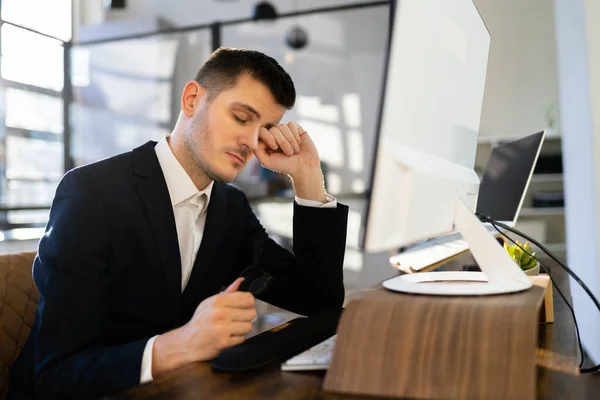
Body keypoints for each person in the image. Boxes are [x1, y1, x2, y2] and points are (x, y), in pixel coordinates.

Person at [8, 48, 348, 399]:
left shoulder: (229, 207)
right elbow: (53, 376)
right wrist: (179, 346)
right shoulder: (92, 194)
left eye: (265, 130)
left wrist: (308, 178)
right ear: (191, 100)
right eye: (241, 117)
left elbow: (319, 301)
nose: (251, 142)